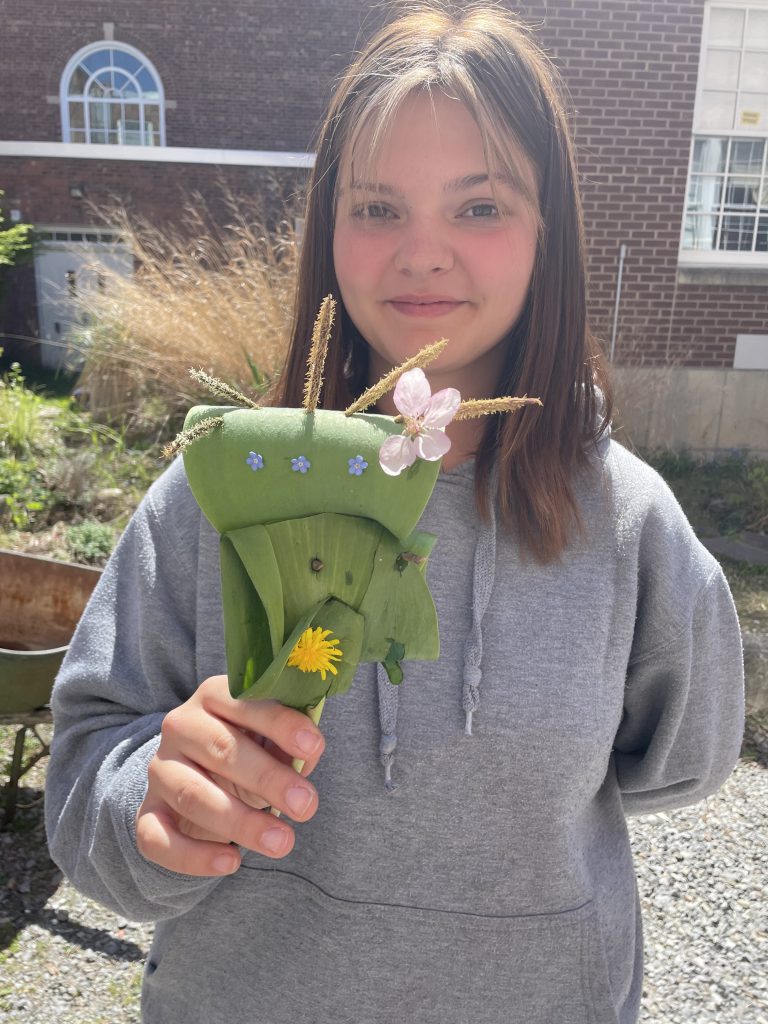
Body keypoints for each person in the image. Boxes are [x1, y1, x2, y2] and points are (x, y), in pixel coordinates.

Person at [45, 6, 745, 1024]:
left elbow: (684, 759)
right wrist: (151, 800)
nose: (422, 255)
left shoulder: (631, 523)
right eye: (377, 209)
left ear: (548, 230)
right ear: (329, 229)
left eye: (479, 207)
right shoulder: (218, 492)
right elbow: (86, 773)